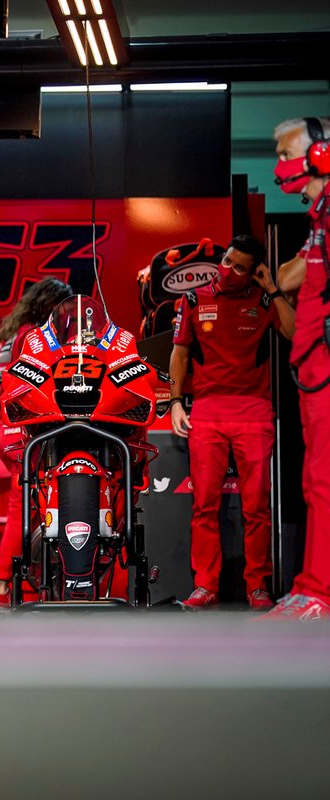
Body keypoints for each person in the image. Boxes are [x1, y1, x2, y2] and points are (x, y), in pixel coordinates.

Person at [169, 235, 294, 610]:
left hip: (255, 413)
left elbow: (294, 332)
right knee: (203, 506)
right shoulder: (192, 299)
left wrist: (272, 289)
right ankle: (205, 586)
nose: (229, 270)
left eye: (240, 267)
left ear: (253, 270)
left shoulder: (263, 300)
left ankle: (258, 586)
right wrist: (176, 401)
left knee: (257, 506)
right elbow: (180, 353)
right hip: (206, 412)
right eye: (227, 260)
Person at [270, 116, 330, 620]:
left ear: (322, 153)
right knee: (315, 480)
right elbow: (292, 277)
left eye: (285, 152)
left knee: (325, 480)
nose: (279, 165)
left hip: (326, 369)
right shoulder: (320, 217)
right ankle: (312, 586)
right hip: (313, 370)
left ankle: (320, 594)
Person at [0, 278, 73, 609]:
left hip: (6, 427)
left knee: (33, 506)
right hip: (20, 428)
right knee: (22, 508)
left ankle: (37, 585)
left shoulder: (13, 335)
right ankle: (2, 587)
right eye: (62, 310)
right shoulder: (31, 338)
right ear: (48, 306)